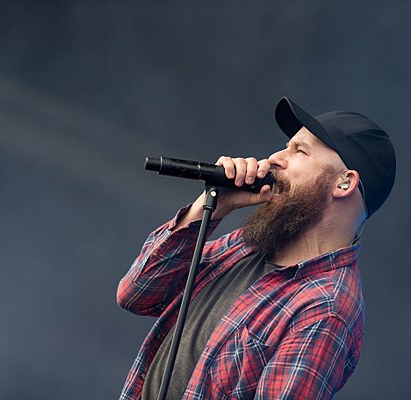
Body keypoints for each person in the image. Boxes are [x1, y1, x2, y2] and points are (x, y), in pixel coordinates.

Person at [117, 96, 396, 400]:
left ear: (344, 183)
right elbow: (137, 294)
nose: (275, 157)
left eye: (299, 150)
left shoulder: (325, 309)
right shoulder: (247, 246)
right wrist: (213, 206)